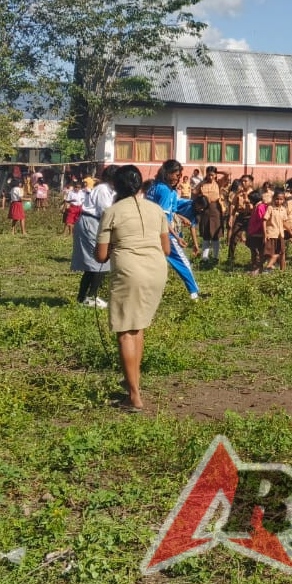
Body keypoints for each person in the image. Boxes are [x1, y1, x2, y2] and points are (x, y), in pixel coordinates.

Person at [95, 165, 170, 412]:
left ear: (115, 186)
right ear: (140, 186)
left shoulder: (112, 212)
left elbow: (101, 255)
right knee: (138, 327)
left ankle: (134, 397)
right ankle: (132, 382)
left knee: (125, 331)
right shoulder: (156, 209)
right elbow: (167, 249)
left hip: (129, 272)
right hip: (157, 271)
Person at [144, 160, 203, 300]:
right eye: (177, 174)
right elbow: (163, 219)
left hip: (148, 231)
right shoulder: (165, 190)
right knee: (183, 262)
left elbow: (163, 211)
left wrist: (181, 218)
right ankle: (194, 294)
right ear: (168, 173)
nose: (179, 177)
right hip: (163, 234)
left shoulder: (154, 186)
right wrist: (177, 237)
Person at [73, 166, 117, 307]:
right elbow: (106, 212)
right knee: (100, 261)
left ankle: (83, 297)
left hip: (94, 222)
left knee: (93, 264)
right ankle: (91, 296)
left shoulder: (108, 190)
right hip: (91, 222)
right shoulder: (103, 189)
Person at [194, 166, 225, 264]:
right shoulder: (202, 183)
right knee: (206, 234)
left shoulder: (218, 183)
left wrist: (217, 171)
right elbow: (194, 191)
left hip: (216, 209)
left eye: (212, 175)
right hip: (205, 209)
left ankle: (215, 257)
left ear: (215, 175)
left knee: (215, 235)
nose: (210, 177)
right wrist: (200, 198)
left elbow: (228, 173)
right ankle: (205, 258)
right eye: (208, 174)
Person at [261, 189, 289, 273]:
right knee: (271, 253)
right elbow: (264, 220)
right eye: (277, 199)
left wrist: (291, 232)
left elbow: (284, 223)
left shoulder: (283, 209)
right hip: (272, 234)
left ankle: (282, 271)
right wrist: (265, 234)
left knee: (282, 252)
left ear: (283, 200)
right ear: (273, 199)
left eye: (281, 199)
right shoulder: (270, 208)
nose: (279, 201)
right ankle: (267, 267)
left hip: (280, 235)